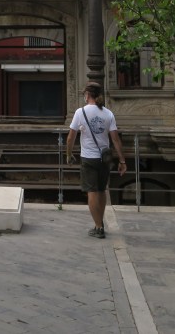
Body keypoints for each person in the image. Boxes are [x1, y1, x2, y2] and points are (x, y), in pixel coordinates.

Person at [66, 81, 127, 238]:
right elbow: (115, 140)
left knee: (92, 192)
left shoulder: (80, 112)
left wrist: (68, 154)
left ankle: (98, 227)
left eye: (84, 94)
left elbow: (71, 137)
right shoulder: (108, 113)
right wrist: (122, 161)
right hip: (104, 159)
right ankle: (99, 222)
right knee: (102, 190)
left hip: (88, 158)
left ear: (87, 95)